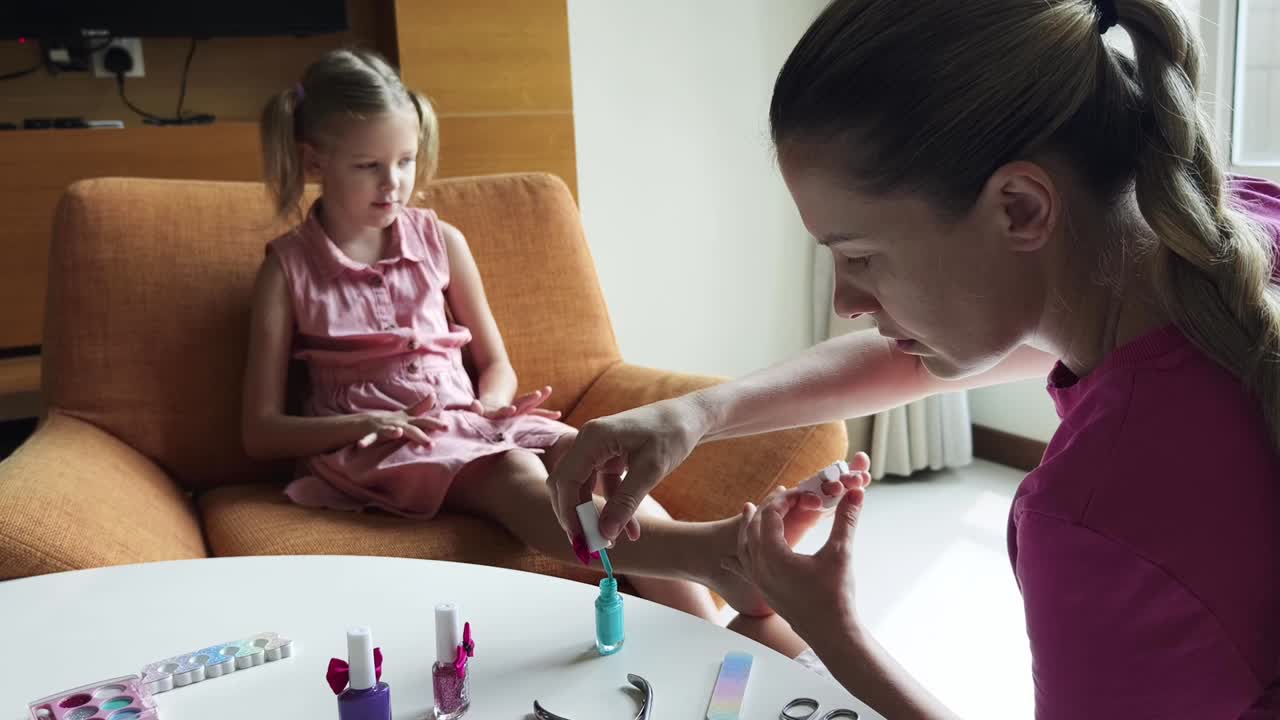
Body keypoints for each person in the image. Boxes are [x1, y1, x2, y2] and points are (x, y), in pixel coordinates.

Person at [547, 0, 1280, 716]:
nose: (844, 302)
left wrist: (837, 637)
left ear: (1020, 207)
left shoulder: (1098, 519)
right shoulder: (1232, 243)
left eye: (861, 255)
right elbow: (912, 360)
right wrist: (696, 413)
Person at [240, 48, 801, 622]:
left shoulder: (442, 241)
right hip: (380, 448)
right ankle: (709, 553)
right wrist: (365, 423)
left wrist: (487, 407)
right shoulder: (286, 271)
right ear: (314, 162)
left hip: (473, 419)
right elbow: (259, 432)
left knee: (589, 454)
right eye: (368, 166)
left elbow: (496, 363)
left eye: (406, 161)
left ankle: (710, 628)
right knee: (516, 472)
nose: (395, 183)